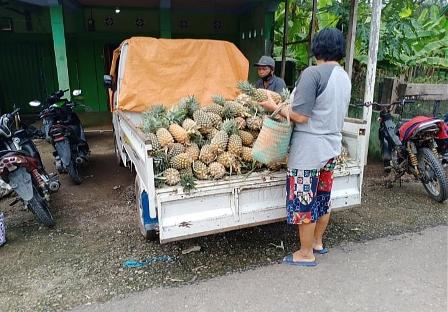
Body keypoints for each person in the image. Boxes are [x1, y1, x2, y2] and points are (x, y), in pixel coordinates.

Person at [260, 28, 351, 267]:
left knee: (303, 201)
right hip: (332, 147)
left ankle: (305, 253)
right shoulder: (344, 76)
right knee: (323, 198)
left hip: (309, 150)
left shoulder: (313, 73)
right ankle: (318, 243)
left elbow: (300, 115)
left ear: (317, 47)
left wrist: (274, 107)